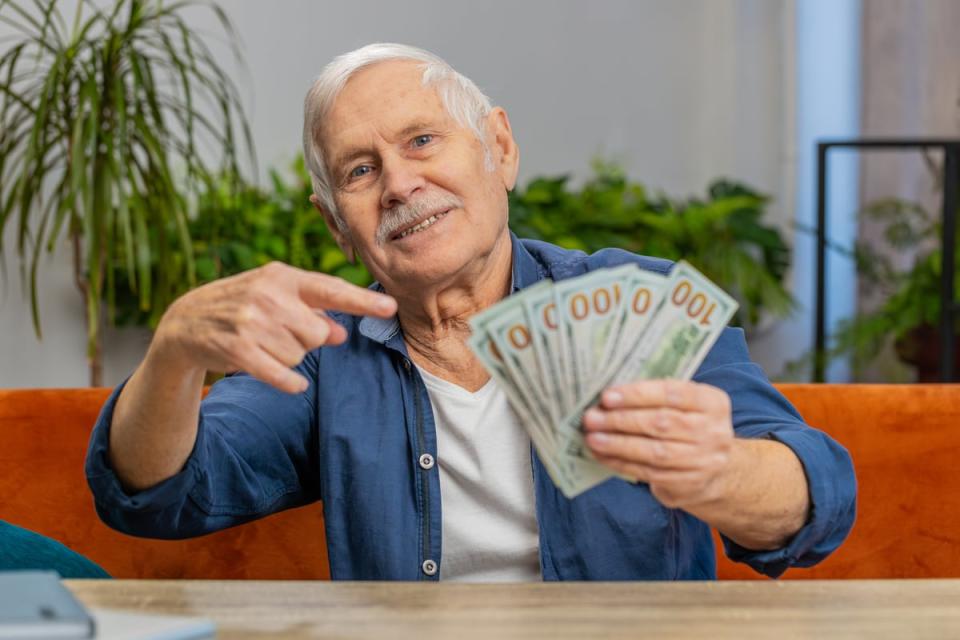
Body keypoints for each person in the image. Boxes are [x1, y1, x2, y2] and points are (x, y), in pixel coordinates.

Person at [86, 43, 856, 581]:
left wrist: (718, 473)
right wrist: (175, 353)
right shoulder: (327, 355)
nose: (399, 184)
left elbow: (814, 500)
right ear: (337, 226)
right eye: (361, 170)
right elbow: (158, 495)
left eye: (423, 140)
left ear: (501, 149)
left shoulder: (643, 303)